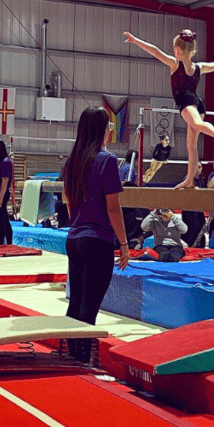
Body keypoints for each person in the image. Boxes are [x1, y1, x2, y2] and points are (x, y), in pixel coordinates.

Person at [124, 29, 214, 188]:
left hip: (186, 101)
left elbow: (155, 51)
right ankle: (189, 180)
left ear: (177, 50)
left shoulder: (175, 64)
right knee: (191, 147)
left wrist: (136, 40)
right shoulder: (198, 67)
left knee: (198, 125)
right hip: (198, 103)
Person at [61, 107, 130, 364]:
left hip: (75, 238)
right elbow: (113, 207)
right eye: (109, 127)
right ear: (102, 130)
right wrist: (123, 244)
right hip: (97, 240)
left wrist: (78, 224)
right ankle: (82, 361)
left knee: (76, 301)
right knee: (89, 306)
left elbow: (69, 202)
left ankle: (72, 355)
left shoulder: (72, 161)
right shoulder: (107, 160)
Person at [180, 162, 206, 248]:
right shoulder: (187, 179)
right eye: (195, 167)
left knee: (201, 229)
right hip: (189, 210)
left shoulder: (201, 180)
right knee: (192, 232)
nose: (197, 169)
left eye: (199, 167)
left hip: (199, 210)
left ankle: (199, 248)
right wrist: (193, 190)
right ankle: (191, 248)